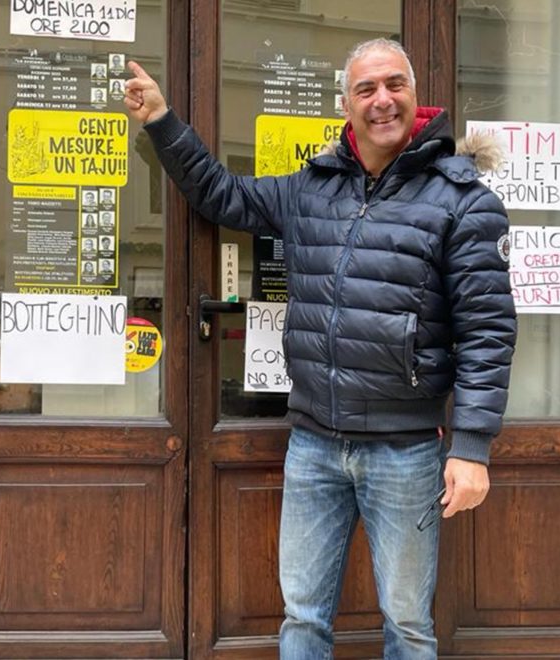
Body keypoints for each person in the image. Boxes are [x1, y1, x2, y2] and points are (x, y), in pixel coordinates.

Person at [123, 38, 516, 659]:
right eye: (367, 89)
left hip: (405, 449)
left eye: (394, 85)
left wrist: (472, 447)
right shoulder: (313, 189)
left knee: (408, 623)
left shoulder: (462, 201)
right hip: (313, 444)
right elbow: (223, 194)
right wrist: (162, 121)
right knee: (302, 618)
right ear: (346, 104)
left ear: (415, 97)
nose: (382, 100)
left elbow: (487, 331)